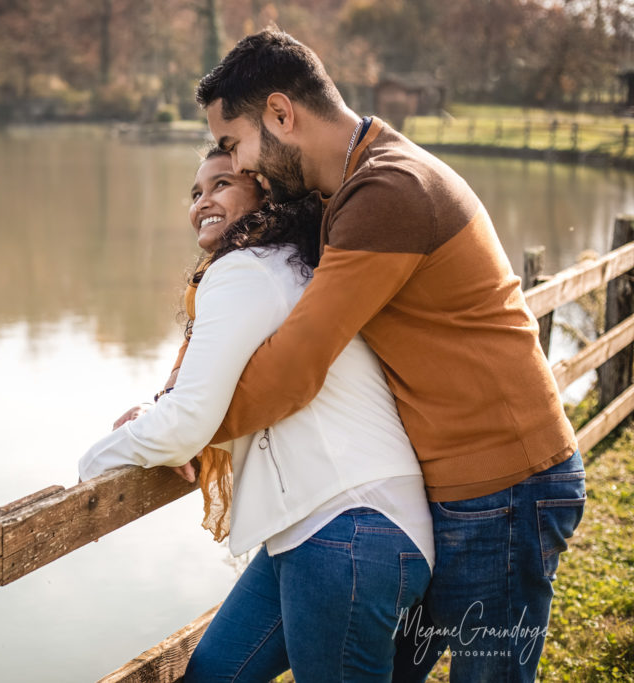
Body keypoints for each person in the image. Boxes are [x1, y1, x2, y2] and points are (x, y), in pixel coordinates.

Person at [193, 28, 585, 682]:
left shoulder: (387, 191)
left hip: (507, 484)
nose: (242, 169)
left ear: (282, 114)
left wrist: (187, 429)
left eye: (236, 145)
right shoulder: (341, 190)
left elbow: (296, 364)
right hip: (446, 489)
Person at [79, 149, 434, 682]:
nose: (203, 202)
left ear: (265, 193)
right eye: (196, 193)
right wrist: (162, 412)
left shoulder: (246, 270)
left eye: (222, 183)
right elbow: (218, 393)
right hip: (334, 533)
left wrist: (91, 465)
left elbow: (186, 423)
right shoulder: (291, 268)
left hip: (344, 531)